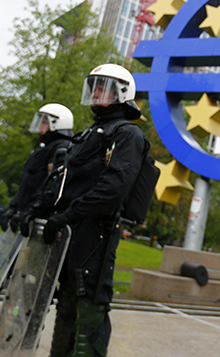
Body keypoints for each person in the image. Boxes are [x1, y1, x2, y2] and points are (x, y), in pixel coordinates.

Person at [30, 64, 150, 357]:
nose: (95, 93)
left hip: (95, 236)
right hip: (70, 234)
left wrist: (68, 216)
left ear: (121, 93)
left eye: (102, 87)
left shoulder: (127, 134)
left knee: (90, 307)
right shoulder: (88, 134)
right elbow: (62, 182)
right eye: (93, 86)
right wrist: (38, 212)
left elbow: (113, 190)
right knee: (67, 303)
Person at [0, 103, 73, 232]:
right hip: (28, 214)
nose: (40, 126)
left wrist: (34, 210)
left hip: (41, 217)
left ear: (57, 123)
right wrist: (14, 207)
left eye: (44, 122)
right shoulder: (42, 149)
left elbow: (52, 185)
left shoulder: (62, 148)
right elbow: (28, 185)